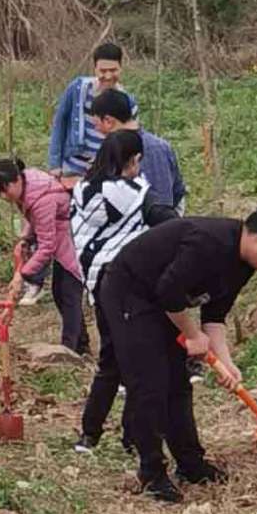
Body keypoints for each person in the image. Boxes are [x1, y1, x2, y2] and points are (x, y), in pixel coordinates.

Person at [97, 202, 257, 504]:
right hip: (130, 292)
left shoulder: (243, 264)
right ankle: (151, 471)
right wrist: (193, 335)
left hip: (165, 304)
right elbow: (168, 290)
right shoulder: (209, 242)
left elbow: (214, 316)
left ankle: (191, 463)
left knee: (178, 384)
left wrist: (226, 363)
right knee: (150, 381)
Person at [70, 126, 157, 455]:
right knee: (138, 360)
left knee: (111, 360)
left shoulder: (83, 190)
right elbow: (159, 221)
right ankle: (132, 435)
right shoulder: (133, 194)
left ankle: (89, 435)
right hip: (127, 284)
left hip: (98, 284)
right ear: (132, 160)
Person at [0, 155, 88, 354]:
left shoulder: (42, 198)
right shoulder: (28, 186)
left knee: (69, 295)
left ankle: (69, 351)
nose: (3, 196)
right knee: (60, 292)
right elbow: (35, 220)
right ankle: (81, 343)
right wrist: (26, 239)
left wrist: (22, 275)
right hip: (62, 240)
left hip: (71, 242)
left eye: (5, 188)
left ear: (16, 180)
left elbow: (47, 246)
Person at [86, 85, 186, 214]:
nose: (96, 130)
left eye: (96, 124)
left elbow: (161, 204)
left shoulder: (152, 149)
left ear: (108, 121)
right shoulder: (113, 144)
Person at [48, 39, 127, 178]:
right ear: (95, 68)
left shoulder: (127, 100)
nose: (108, 76)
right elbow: (60, 123)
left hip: (106, 171)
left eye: (113, 70)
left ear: (121, 68)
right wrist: (55, 164)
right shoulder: (78, 88)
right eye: (103, 71)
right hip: (73, 166)